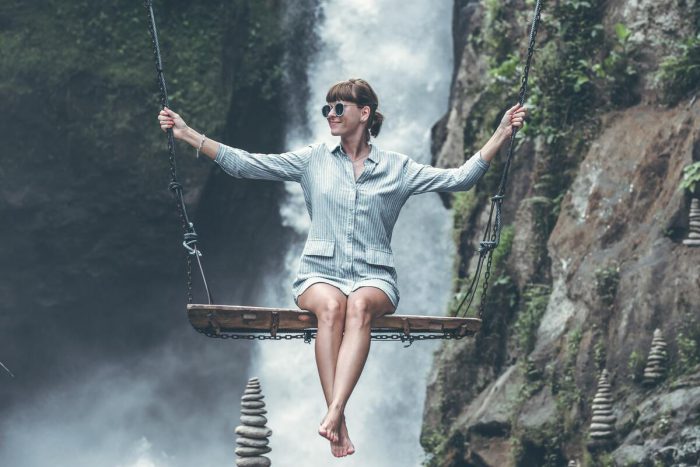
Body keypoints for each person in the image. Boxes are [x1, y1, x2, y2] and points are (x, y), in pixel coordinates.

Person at [157, 78, 526, 458]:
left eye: (339, 108)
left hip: (375, 276)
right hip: (318, 273)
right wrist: (187, 134)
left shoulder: (398, 168)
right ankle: (339, 418)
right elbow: (247, 165)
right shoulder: (312, 159)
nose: (330, 114)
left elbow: (460, 179)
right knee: (332, 307)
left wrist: (500, 133)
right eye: (327, 108)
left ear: (364, 114)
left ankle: (334, 412)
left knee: (360, 306)